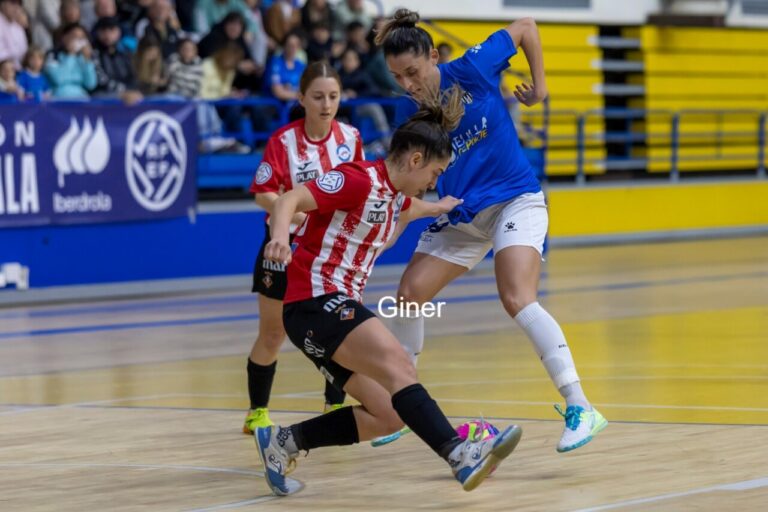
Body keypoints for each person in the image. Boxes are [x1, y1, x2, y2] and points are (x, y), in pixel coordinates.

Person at [254, 84, 523, 495]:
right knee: (400, 365)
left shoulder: (397, 198)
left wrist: (442, 207)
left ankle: (284, 442)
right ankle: (457, 453)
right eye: (433, 174)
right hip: (316, 300)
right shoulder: (357, 180)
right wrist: (278, 239)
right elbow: (289, 198)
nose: (431, 183)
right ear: (415, 159)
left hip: (320, 314)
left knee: (386, 414)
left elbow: (411, 208)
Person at [374, 9, 608, 452]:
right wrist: (402, 216)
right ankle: (402, 404)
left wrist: (540, 87)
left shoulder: (472, 68)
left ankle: (581, 406)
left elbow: (526, 27)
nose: (407, 84)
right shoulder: (410, 114)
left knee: (516, 296)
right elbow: (409, 177)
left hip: (515, 200)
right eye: (396, 76)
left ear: (434, 56)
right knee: (409, 294)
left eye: (412, 71)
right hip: (461, 215)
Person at [243, 61, 365, 434]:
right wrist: (290, 212)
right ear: (301, 99)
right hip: (283, 248)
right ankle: (257, 412)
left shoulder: (351, 138)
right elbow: (263, 192)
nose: (326, 105)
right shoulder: (283, 141)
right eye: (318, 97)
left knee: (339, 329)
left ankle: (334, 406)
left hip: (331, 249)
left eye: (333, 96)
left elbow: (360, 188)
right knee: (273, 332)